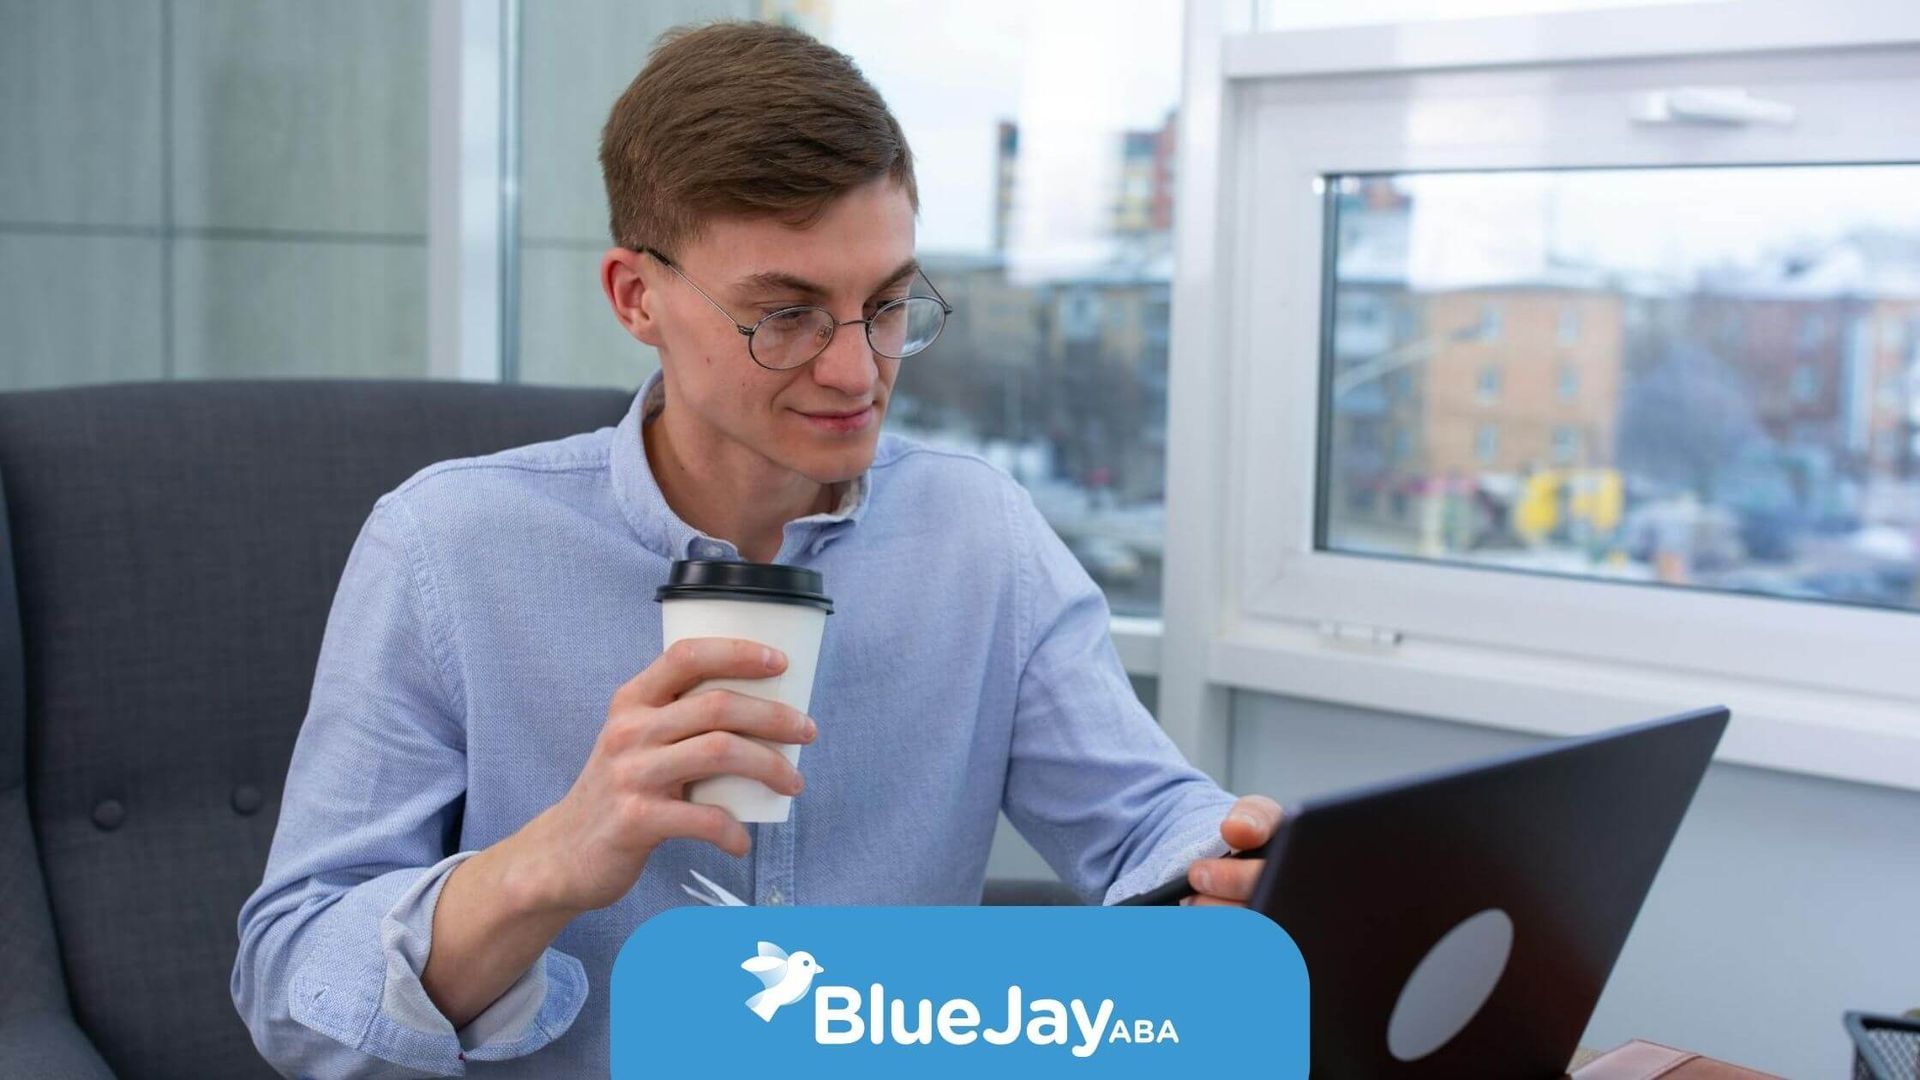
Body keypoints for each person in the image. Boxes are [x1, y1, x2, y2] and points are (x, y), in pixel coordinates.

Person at [231, 20, 1278, 1078]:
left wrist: (1231, 862)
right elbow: (292, 992)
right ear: (637, 297)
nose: (856, 373)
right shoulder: (445, 549)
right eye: (785, 315)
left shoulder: (979, 532)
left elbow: (1143, 817)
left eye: (885, 306)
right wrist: (548, 861)